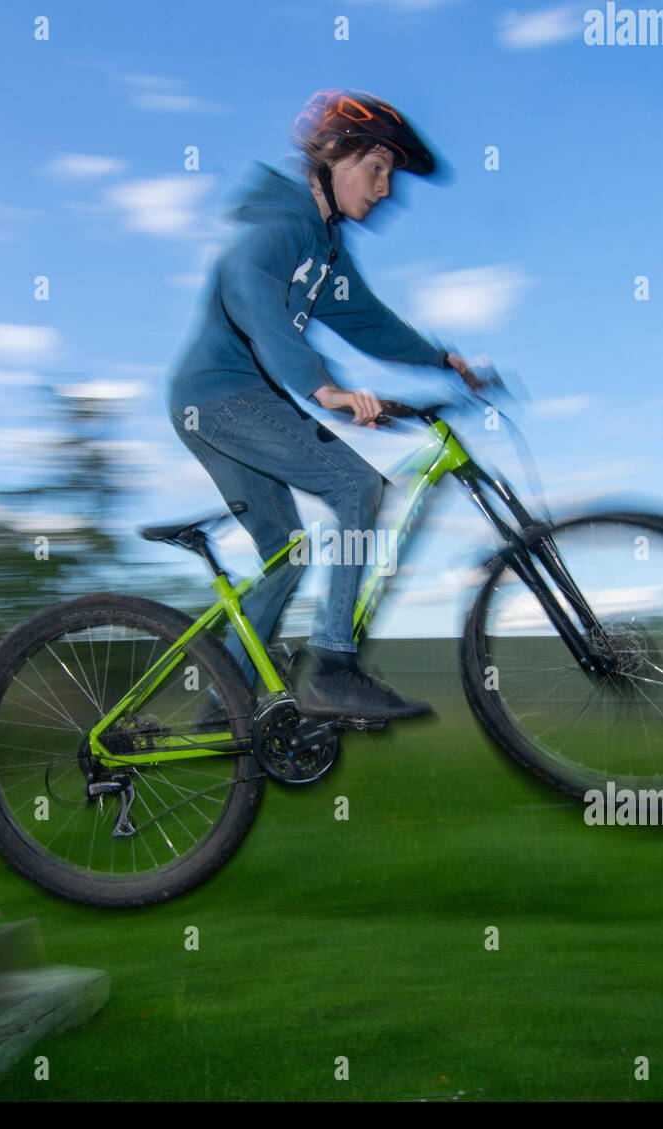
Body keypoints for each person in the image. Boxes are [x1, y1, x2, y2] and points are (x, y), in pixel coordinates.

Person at [165, 89, 484, 721]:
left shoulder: (325, 249)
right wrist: (321, 387)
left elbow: (369, 322)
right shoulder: (281, 225)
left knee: (287, 554)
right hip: (223, 394)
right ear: (333, 157)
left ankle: (220, 703)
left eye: (390, 175)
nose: (385, 188)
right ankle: (334, 669)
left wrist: (439, 358)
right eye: (377, 168)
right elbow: (248, 289)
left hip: (212, 403)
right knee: (357, 486)